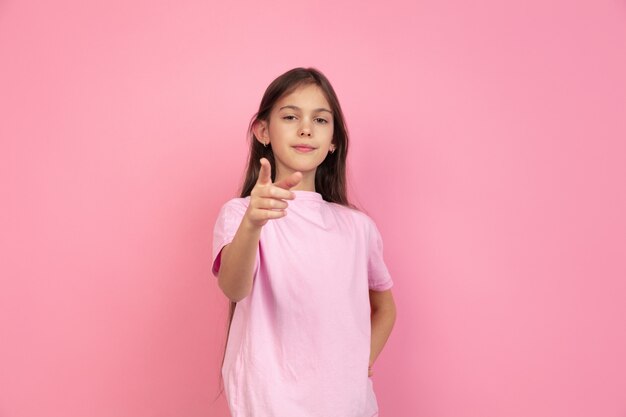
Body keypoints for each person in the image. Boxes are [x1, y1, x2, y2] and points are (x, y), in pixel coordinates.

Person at [211, 67, 397, 417]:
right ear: (263, 130)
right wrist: (253, 222)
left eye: (321, 120)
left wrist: (363, 359)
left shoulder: (358, 228)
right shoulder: (240, 213)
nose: (306, 128)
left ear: (334, 141)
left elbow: (385, 307)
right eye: (291, 116)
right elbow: (234, 288)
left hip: (347, 406)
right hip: (268, 404)